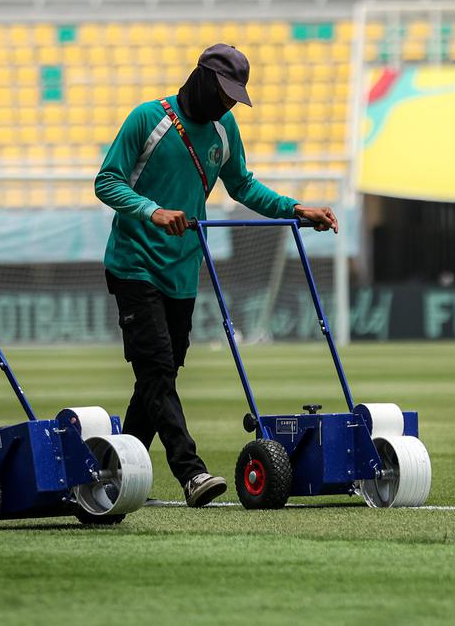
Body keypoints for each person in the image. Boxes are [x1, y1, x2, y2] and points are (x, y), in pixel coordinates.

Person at [95, 44, 338, 507]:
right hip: (134, 265)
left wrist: (297, 209)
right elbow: (107, 180)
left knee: (156, 380)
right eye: (224, 92)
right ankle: (191, 472)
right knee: (158, 372)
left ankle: (116, 473)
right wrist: (153, 212)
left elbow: (242, 184)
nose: (229, 103)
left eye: (235, 96)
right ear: (202, 78)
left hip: (183, 271)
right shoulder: (148, 118)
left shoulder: (225, 128)